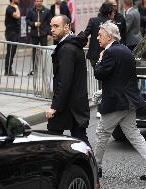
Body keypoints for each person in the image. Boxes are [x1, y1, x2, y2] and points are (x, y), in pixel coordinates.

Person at [94, 20, 146, 180]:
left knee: (101, 133)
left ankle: (95, 167)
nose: (98, 38)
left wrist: (99, 60)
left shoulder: (110, 52)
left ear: (110, 36)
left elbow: (99, 74)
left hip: (116, 102)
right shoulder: (126, 50)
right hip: (129, 101)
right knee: (133, 133)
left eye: (100, 35)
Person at [46, 15, 91, 147]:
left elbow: (65, 81)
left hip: (70, 105)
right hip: (73, 103)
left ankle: (92, 166)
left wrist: (54, 107)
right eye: (51, 26)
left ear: (67, 27)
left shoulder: (67, 49)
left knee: (54, 139)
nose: (52, 30)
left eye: (56, 26)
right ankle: (93, 166)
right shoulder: (71, 44)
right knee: (79, 139)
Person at [84, 2, 115, 68]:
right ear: (109, 13)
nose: (114, 14)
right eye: (113, 12)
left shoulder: (93, 21)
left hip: (94, 54)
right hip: (108, 54)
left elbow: (85, 34)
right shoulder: (111, 24)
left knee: (97, 74)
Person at [26, 0, 51, 76]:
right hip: (34, 35)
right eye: (37, 1)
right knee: (34, 53)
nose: (38, 2)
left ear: (42, 2)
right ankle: (34, 70)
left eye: (40, 1)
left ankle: (45, 69)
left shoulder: (47, 11)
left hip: (44, 35)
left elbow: (50, 23)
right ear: (35, 2)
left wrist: (49, 34)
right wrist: (33, 24)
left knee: (45, 52)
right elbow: (27, 20)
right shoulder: (30, 11)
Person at [4, 0, 20, 77]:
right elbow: (17, 16)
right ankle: (7, 70)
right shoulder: (10, 8)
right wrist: (17, 8)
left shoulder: (13, 7)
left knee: (12, 52)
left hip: (15, 33)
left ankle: (9, 69)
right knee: (10, 51)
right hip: (11, 33)